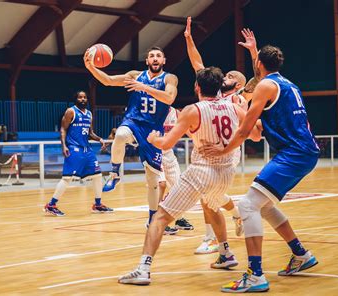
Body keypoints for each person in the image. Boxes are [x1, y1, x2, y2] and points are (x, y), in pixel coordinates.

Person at [117, 67, 261, 285]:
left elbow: (166, 143)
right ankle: (226, 254)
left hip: (202, 171)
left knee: (160, 218)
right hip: (226, 172)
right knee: (212, 205)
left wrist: (154, 139)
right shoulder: (234, 107)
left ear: (197, 87)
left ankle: (143, 269)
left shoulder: (193, 110)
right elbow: (256, 135)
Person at [200, 45, 319, 293]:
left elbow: (245, 131)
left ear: (258, 66)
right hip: (304, 152)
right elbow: (256, 133)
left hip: (293, 153)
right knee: (264, 205)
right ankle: (301, 254)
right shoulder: (287, 84)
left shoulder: (265, 86)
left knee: (247, 205)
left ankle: (255, 274)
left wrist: (223, 150)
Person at [185, 17, 257, 254]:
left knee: (207, 196)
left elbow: (258, 79)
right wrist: (188, 39)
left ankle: (213, 239)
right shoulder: (211, 91)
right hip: (206, 146)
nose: (224, 78)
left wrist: (253, 51)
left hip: (227, 151)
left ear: (237, 85)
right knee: (212, 195)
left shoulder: (239, 99)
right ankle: (235, 215)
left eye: (229, 77)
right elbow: (197, 63)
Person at [84, 46, 178, 227]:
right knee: (119, 135)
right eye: (151, 56)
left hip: (152, 130)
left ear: (164, 60)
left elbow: (169, 98)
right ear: (147, 61)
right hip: (133, 121)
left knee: (153, 182)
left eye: (159, 56)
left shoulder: (169, 78)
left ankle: (152, 218)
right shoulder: (136, 75)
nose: (155, 58)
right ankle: (115, 174)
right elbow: (109, 81)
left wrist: (145, 88)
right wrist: (91, 67)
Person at [44, 91, 113, 216]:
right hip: (74, 148)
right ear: (76, 99)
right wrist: (64, 145)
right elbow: (63, 129)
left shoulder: (89, 114)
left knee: (97, 175)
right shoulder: (71, 111)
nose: (83, 99)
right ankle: (51, 204)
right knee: (67, 178)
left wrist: (100, 139)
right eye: (80, 97)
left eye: (85, 97)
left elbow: (90, 133)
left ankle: (97, 204)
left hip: (87, 149)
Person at [157, 106, 194, 235]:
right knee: (161, 185)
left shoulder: (176, 113)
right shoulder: (153, 109)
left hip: (168, 153)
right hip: (154, 152)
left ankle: (178, 218)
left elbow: (192, 132)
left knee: (179, 187)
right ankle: (154, 220)